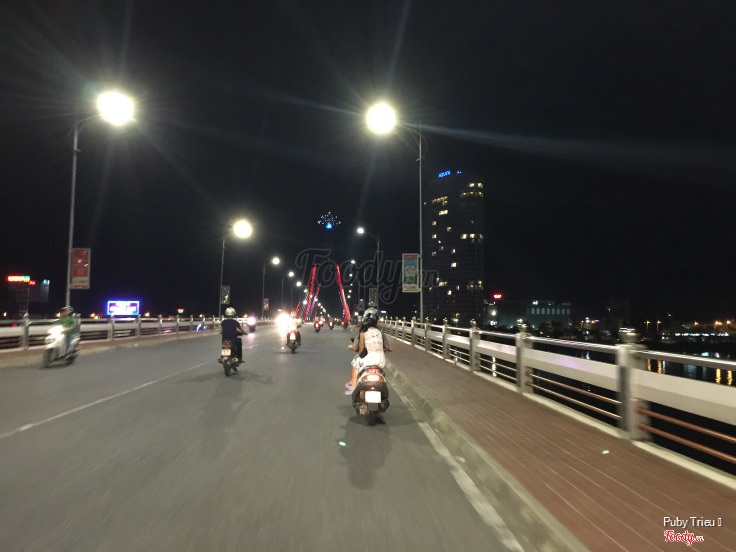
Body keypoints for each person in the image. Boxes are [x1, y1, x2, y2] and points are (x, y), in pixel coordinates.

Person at [345, 307, 386, 394]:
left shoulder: (363, 332)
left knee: (355, 362)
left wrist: (354, 350)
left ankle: (353, 385)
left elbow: (361, 350)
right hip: (381, 360)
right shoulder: (379, 332)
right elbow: (385, 347)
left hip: (369, 360)